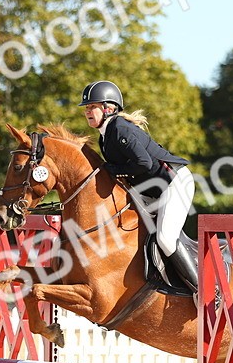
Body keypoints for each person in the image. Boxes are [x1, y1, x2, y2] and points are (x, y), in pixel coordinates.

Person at [78, 79, 198, 291]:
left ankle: (203, 289)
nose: (88, 112)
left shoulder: (120, 130)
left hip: (174, 183)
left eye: (92, 107)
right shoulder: (105, 136)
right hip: (155, 188)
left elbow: (144, 163)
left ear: (108, 108)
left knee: (166, 238)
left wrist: (111, 170)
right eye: (87, 108)